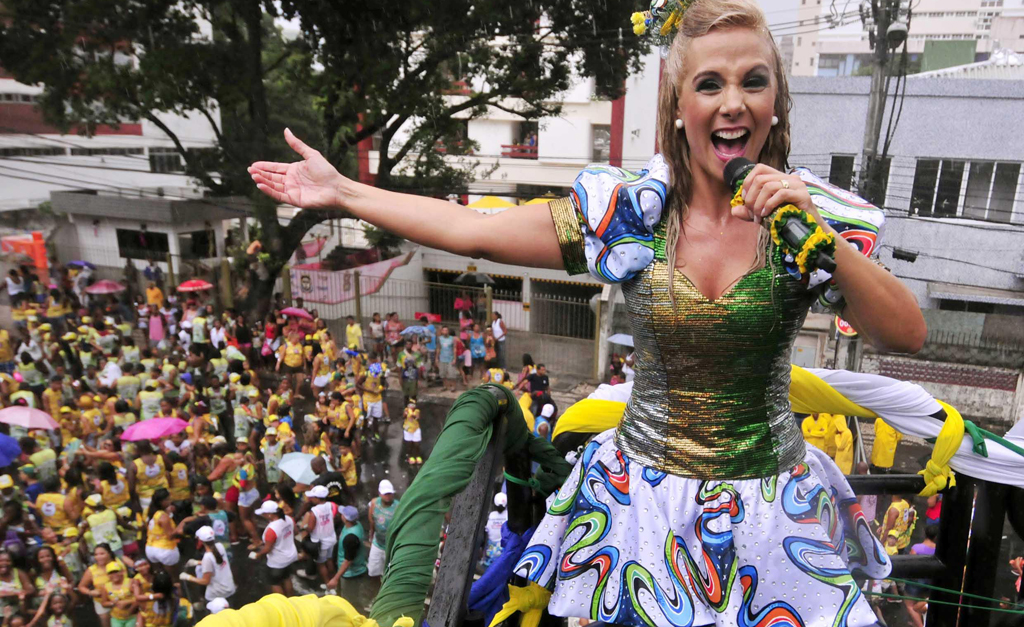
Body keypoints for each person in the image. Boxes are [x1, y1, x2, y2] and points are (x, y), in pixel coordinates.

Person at [248, 2, 927, 621]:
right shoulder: (631, 213)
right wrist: (345, 191)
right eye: (709, 84)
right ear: (679, 105)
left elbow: (906, 332)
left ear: (776, 101)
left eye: (754, 81)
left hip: (772, 516)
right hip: (645, 516)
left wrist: (820, 239)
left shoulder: (808, 218)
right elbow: (474, 230)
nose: (733, 103)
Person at [181, 526, 236, 606]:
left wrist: (189, 577)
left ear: (200, 541)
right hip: (229, 587)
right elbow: (216, 563)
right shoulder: (220, 546)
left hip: (217, 593)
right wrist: (197, 562)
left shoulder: (207, 557)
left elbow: (205, 581)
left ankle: (203, 606)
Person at [252, 500, 297, 596]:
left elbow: (268, 549)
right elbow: (296, 532)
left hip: (277, 562)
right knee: (286, 577)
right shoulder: (289, 519)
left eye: (264, 513)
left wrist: (258, 554)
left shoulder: (271, 529)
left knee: (274, 582)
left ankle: (282, 603)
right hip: (290, 556)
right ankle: (291, 599)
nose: (262, 515)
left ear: (270, 514)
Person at [902, 525, 939, 627]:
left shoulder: (916, 548)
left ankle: (919, 625)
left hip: (915, 582)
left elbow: (911, 566)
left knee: (910, 606)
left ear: (925, 533)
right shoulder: (938, 550)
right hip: (930, 582)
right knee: (922, 603)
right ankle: (918, 622)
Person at [302, 486, 338, 589]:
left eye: (313, 497)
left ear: (318, 498)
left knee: (321, 563)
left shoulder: (314, 511)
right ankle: (333, 582)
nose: (311, 499)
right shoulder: (330, 505)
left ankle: (328, 585)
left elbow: (310, 528)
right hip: (331, 538)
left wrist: (304, 527)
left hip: (320, 543)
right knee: (329, 560)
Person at [327, 506, 368, 590]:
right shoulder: (356, 524)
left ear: (345, 518)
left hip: (351, 573)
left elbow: (348, 560)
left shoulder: (351, 538)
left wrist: (335, 579)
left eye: (342, 514)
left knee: (349, 595)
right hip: (346, 569)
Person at [366, 480, 399, 582]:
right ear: (380, 493)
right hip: (377, 543)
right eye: (385, 494)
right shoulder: (374, 503)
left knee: (390, 573)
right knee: (373, 570)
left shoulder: (398, 507)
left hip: (391, 545)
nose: (388, 496)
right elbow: (371, 521)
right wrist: (371, 537)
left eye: (390, 493)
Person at [99, 561, 136, 627]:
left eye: (116, 572)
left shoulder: (131, 582)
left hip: (132, 617)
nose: (114, 575)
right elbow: (104, 603)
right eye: (111, 573)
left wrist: (127, 602)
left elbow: (139, 598)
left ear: (122, 572)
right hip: (116, 618)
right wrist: (112, 603)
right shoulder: (106, 587)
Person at [482, 492, 508, 567]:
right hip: (503, 551)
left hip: (490, 552)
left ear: (494, 504)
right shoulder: (508, 516)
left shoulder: (491, 515)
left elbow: (486, 534)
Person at [436, 326, 458, 392]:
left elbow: (454, 349)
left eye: (446, 330)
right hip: (442, 358)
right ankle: (445, 386)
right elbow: (438, 348)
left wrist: (454, 358)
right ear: (442, 331)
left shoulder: (452, 339)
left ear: (448, 331)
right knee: (443, 374)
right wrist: (436, 358)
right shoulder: (439, 338)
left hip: (450, 358)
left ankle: (453, 386)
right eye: (444, 330)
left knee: (452, 374)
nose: (445, 332)